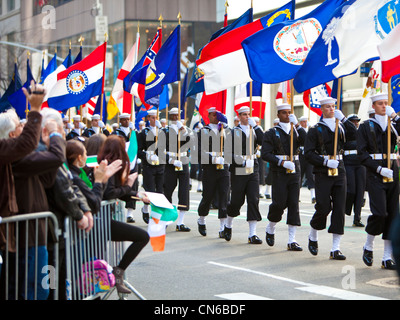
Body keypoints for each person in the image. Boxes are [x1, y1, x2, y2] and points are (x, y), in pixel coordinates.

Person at [10, 106, 65, 300]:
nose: (24, 129)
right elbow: (57, 157)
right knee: (36, 287)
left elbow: (47, 179)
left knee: (46, 283)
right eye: (20, 127)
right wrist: (54, 134)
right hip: (31, 233)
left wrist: (49, 144)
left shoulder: (27, 156)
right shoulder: (19, 158)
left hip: (42, 231)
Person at [0, 81, 44, 287]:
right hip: (18, 231)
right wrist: (35, 110)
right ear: (10, 135)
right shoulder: (7, 151)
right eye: (19, 125)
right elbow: (30, 145)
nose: (23, 127)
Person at [304, 97, 357, 260]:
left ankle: (335, 248)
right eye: (328, 107)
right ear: (322, 109)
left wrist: (345, 119)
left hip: (339, 170)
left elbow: (355, 135)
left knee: (340, 207)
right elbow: (309, 154)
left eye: (333, 106)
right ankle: (313, 233)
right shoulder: (315, 129)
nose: (331, 109)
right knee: (323, 206)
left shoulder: (340, 126)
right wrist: (325, 161)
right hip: (323, 171)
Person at [98, 135, 150, 294]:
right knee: (142, 236)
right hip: (101, 221)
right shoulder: (111, 166)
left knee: (98, 261)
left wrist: (137, 194)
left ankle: (116, 275)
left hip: (101, 219)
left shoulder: (104, 163)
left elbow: (116, 193)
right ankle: (117, 272)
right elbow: (110, 193)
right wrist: (128, 186)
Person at [357, 93, 399, 270]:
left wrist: (395, 116)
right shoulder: (366, 126)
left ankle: (386, 257)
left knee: (392, 214)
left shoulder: (393, 123)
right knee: (380, 213)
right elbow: (361, 153)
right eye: (380, 104)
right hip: (376, 172)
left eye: (386, 103)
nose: (384, 106)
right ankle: (368, 245)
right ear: (373, 106)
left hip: (393, 172)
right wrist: (379, 168)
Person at [261, 103, 306, 251]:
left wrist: (298, 126)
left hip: (295, 170)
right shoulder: (271, 133)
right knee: (279, 203)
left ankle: (292, 240)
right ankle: (271, 227)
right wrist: (281, 162)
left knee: (294, 203)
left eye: (289, 112)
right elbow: (265, 154)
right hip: (280, 171)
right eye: (284, 113)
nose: (287, 115)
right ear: (279, 115)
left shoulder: (296, 131)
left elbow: (307, 142)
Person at [225, 106, 264, 244]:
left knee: (253, 199)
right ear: (239, 117)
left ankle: (252, 234)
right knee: (237, 200)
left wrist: (257, 127)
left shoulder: (254, 130)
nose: (247, 117)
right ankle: (228, 224)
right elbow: (227, 153)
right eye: (244, 115)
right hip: (240, 169)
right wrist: (239, 160)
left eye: (248, 114)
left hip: (253, 167)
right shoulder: (233, 132)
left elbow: (264, 141)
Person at [197, 107, 230, 238]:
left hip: (223, 167)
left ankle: (223, 227)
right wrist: (212, 158)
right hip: (210, 168)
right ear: (209, 116)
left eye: (218, 115)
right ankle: (201, 220)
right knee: (208, 196)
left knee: (224, 196)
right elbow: (198, 152)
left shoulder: (225, 130)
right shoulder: (203, 131)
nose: (216, 117)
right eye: (214, 115)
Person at [161, 107, 193, 231]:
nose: (175, 118)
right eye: (173, 116)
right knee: (167, 190)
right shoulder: (165, 131)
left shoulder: (185, 130)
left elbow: (192, 143)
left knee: (184, 191)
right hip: (170, 163)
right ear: (169, 117)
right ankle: (167, 219)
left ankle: (181, 222)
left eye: (177, 116)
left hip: (183, 162)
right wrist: (171, 160)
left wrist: (183, 130)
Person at [137, 109, 165, 224]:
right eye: (152, 118)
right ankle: (145, 209)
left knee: (160, 191)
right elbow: (138, 151)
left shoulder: (162, 132)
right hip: (148, 166)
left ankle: (157, 215)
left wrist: (163, 130)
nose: (154, 120)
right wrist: (148, 155)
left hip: (160, 165)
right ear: (148, 119)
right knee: (150, 191)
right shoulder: (143, 133)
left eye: (156, 117)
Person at [344, 114, 366, 227]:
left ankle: (357, 218)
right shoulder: (344, 132)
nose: (356, 123)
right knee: (351, 189)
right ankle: (345, 209)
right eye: (353, 121)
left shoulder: (361, 132)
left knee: (360, 192)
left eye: (357, 121)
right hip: (348, 163)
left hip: (360, 163)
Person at [298, 116, 316, 203]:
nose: (305, 123)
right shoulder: (297, 130)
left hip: (308, 155)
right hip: (300, 155)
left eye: (306, 121)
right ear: (300, 122)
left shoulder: (310, 130)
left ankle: (313, 196)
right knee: (299, 175)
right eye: (303, 122)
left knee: (310, 175)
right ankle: (297, 195)